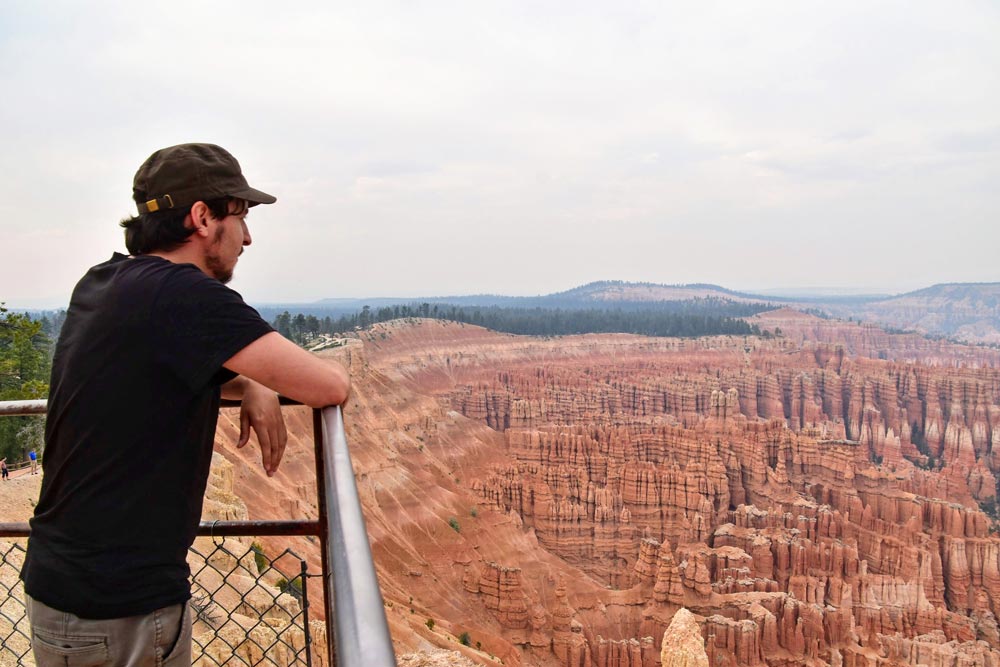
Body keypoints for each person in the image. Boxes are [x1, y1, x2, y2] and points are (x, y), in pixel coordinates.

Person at [21, 143, 351, 667]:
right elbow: (329, 385)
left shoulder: (106, 282)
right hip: (121, 607)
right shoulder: (185, 295)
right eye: (240, 217)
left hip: (60, 587)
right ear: (202, 217)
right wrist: (262, 377)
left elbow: (158, 371)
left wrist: (256, 382)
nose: (247, 237)